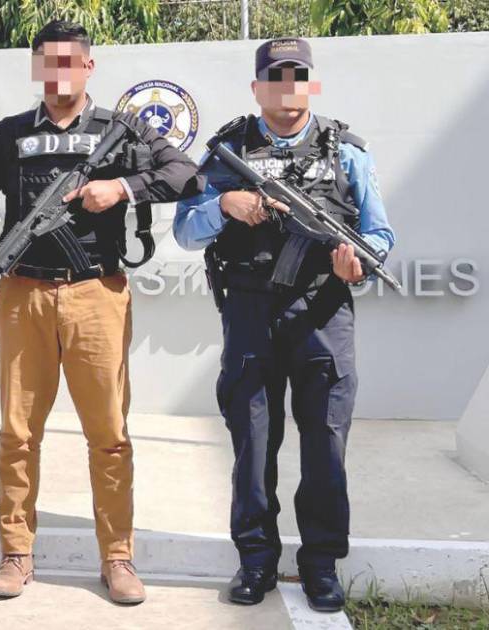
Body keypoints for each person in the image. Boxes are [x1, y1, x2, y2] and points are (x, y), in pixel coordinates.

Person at [0, 20, 200, 604]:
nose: (58, 72)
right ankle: (16, 553)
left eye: (69, 61)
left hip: (97, 292)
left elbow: (186, 174)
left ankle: (117, 557)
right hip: (23, 293)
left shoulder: (122, 130)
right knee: (18, 433)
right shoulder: (11, 133)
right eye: (48, 61)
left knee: (109, 434)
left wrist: (122, 189)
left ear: (89, 67)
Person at [174, 38, 395, 613]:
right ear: (257, 88)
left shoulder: (346, 151)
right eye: (275, 75)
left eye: (298, 75)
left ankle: (320, 564)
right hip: (249, 310)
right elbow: (185, 230)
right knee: (251, 443)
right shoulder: (227, 150)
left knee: (325, 442)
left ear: (311, 84)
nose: (287, 85)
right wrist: (223, 206)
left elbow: (378, 233)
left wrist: (357, 263)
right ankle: (255, 560)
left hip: (323, 311)